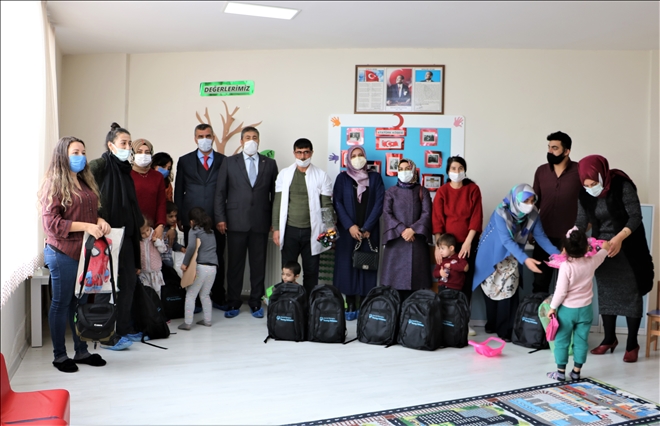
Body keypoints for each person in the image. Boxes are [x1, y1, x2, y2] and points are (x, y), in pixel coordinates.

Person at [39, 136, 110, 372]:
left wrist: (98, 220)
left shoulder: (83, 181)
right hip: (62, 252)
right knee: (61, 303)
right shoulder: (53, 184)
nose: (81, 157)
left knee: (79, 303)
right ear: (63, 155)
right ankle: (60, 356)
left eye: (83, 152)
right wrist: (87, 226)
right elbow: (52, 225)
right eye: (75, 152)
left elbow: (87, 213)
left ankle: (81, 351)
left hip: (84, 253)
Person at [575, 155, 654, 363]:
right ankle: (609, 339)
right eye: (586, 185)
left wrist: (618, 239)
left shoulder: (622, 186)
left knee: (631, 294)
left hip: (628, 246)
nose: (590, 188)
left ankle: (632, 344)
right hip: (602, 249)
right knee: (607, 293)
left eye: (593, 184)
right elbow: (581, 221)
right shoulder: (584, 194)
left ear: (602, 175)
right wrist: (572, 238)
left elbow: (635, 216)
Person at [472, 184, 559, 341]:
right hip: (491, 254)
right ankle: (492, 324)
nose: (530, 205)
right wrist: (525, 259)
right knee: (491, 290)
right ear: (515, 200)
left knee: (509, 291)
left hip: (512, 255)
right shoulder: (501, 212)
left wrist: (558, 255)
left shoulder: (533, 215)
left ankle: (505, 331)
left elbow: (541, 237)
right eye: (526, 201)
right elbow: (506, 240)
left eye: (532, 201)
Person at [89, 123, 145, 350]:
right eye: (123, 143)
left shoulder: (125, 169)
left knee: (129, 281)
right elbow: (86, 194)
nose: (127, 147)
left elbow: (131, 204)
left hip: (126, 235)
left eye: (129, 143)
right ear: (111, 145)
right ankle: (103, 333)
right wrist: (97, 218)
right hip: (106, 235)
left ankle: (123, 328)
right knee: (105, 285)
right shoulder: (99, 165)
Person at [214, 126, 278, 319]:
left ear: (259, 141)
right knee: (235, 265)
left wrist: (274, 221)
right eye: (247, 137)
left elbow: (275, 195)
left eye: (254, 137)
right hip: (235, 221)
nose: (251, 140)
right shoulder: (229, 162)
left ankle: (256, 302)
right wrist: (220, 218)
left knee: (258, 265)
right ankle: (233, 301)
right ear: (241, 141)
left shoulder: (270, 163)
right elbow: (220, 192)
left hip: (261, 221)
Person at [546, 227, 611, 382]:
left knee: (562, 341)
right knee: (581, 341)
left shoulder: (566, 266)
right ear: (586, 247)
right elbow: (604, 252)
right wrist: (605, 246)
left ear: (565, 248)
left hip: (567, 311)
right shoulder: (591, 262)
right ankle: (576, 372)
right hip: (586, 310)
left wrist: (552, 307)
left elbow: (561, 291)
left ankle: (560, 372)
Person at [272, 138, 334, 296]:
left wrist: (330, 230)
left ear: (311, 153)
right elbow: (277, 203)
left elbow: (326, 205)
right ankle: (287, 302)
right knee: (288, 271)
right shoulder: (284, 174)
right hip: (289, 231)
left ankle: (308, 304)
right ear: (294, 153)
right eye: (299, 152)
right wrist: (276, 229)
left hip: (313, 232)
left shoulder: (321, 175)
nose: (302, 156)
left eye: (306, 152)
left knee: (311, 271)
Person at [174, 124, 227, 309]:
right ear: (195, 138)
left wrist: (223, 217)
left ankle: (218, 295)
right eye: (201, 136)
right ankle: (194, 298)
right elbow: (179, 190)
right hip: (192, 218)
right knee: (194, 257)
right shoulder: (184, 160)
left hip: (216, 218)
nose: (204, 139)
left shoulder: (223, 160)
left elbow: (227, 190)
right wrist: (179, 216)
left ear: (213, 137)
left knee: (217, 256)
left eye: (208, 136)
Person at [332, 146, 385, 320]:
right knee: (347, 265)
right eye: (353, 156)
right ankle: (350, 303)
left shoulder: (375, 178)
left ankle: (364, 303)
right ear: (348, 159)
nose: (357, 158)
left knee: (366, 265)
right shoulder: (342, 178)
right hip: (347, 231)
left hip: (369, 231)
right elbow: (337, 203)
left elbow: (379, 203)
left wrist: (367, 227)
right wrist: (350, 226)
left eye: (360, 155)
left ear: (365, 157)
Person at [432, 156, 482, 318]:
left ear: (465, 170)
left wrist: (468, 242)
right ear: (448, 171)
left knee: (465, 281)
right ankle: (446, 319)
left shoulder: (473, 189)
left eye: (460, 168)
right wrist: (438, 247)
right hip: (447, 246)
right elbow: (437, 220)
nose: (457, 171)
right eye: (453, 168)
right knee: (447, 280)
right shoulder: (442, 191)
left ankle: (462, 320)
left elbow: (476, 217)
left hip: (467, 243)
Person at [532, 131, 582, 293]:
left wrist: (585, 226)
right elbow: (533, 204)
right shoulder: (541, 171)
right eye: (549, 147)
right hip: (543, 236)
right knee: (540, 283)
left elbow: (589, 202)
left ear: (566, 151)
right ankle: (539, 310)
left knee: (568, 286)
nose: (550, 151)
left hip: (570, 238)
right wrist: (531, 230)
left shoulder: (580, 171)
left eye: (554, 148)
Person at [381, 159, 433, 302]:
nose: (404, 172)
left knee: (416, 284)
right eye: (401, 169)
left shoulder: (422, 191)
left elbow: (427, 213)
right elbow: (387, 213)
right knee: (393, 284)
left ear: (414, 170)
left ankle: (412, 313)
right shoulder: (390, 192)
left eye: (407, 168)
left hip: (416, 241)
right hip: (396, 241)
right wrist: (402, 229)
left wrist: (413, 230)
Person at [178, 207, 218, 330]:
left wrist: (185, 263)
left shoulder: (194, 230)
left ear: (191, 221)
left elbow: (190, 248)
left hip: (200, 267)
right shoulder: (210, 231)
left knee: (191, 294)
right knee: (205, 294)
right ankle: (207, 320)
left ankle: (188, 323)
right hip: (213, 268)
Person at [131, 139, 167, 241]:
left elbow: (161, 203)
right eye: (139, 152)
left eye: (147, 152)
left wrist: (160, 224)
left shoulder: (158, 176)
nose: (143, 155)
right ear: (133, 154)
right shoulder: (126, 175)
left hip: (152, 230)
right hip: (132, 228)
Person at [138, 216, 167, 297]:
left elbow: (163, 249)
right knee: (146, 293)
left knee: (157, 293)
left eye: (147, 230)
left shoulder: (155, 235)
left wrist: (157, 242)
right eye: (143, 233)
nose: (147, 234)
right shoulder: (138, 240)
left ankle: (157, 305)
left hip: (155, 272)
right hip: (144, 272)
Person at [161, 201, 185, 269]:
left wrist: (181, 248)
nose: (174, 219)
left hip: (169, 263)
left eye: (175, 216)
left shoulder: (173, 231)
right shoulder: (157, 230)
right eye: (170, 216)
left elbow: (173, 244)